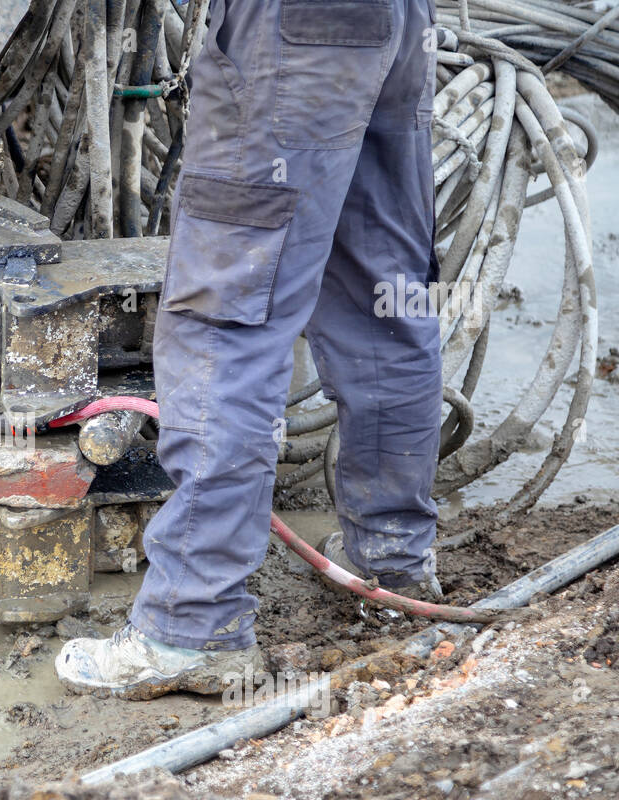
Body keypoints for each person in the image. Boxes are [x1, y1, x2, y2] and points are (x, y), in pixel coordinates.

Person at [57, 0, 444, 700]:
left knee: (227, 318)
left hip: (293, 35)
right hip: (395, 22)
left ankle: (192, 625)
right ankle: (392, 558)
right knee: (384, 294)